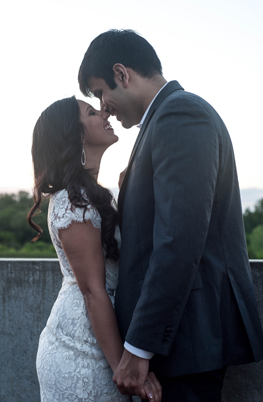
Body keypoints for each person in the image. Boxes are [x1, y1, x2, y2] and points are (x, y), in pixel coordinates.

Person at [78, 29, 263, 402]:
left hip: (188, 338)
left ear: (122, 73)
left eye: (101, 92)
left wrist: (139, 347)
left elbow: (178, 240)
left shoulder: (181, 114)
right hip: (181, 338)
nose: (103, 106)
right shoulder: (164, 120)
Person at [28, 96, 161, 402]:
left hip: (101, 338)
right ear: (76, 135)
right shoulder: (71, 203)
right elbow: (92, 291)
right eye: (91, 111)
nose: (104, 112)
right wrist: (124, 371)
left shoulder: (93, 195)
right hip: (81, 351)